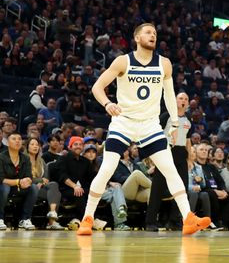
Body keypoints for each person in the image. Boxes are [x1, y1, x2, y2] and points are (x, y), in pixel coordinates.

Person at [75, 23, 210, 236]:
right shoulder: (123, 61)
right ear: (137, 38)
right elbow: (97, 87)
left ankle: (188, 218)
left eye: (155, 33)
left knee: (170, 169)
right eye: (148, 32)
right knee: (107, 168)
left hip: (150, 124)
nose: (153, 35)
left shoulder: (164, 64)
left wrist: (174, 122)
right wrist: (107, 104)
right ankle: (87, 219)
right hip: (124, 121)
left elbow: (169, 94)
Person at [145, 91, 191, 231]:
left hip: (181, 154)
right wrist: (154, 156)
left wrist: (189, 158)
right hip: (166, 152)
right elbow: (154, 134)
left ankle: (174, 221)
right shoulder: (166, 116)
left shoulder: (188, 119)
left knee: (182, 189)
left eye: (185, 99)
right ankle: (150, 222)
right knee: (157, 188)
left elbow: (188, 140)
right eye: (180, 98)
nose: (183, 100)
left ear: (188, 103)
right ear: (175, 101)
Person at [25, 136, 64, 229]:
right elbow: (25, 177)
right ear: (27, 147)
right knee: (55, 193)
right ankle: (51, 222)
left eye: (37, 145)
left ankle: (52, 213)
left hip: (41, 189)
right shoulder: (23, 160)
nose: (35, 146)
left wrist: (42, 183)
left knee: (54, 185)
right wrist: (39, 181)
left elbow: (46, 179)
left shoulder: (41, 161)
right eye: (32, 144)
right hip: (28, 188)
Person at [0, 133, 37, 230]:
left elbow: (29, 176)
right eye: (14, 139)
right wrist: (19, 181)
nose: (17, 141)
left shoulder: (25, 158)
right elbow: (2, 179)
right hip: (3, 186)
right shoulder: (1, 157)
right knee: (5, 187)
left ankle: (25, 219)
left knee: (33, 187)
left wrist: (28, 181)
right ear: (7, 142)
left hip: (19, 187)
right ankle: (0, 218)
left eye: (19, 139)